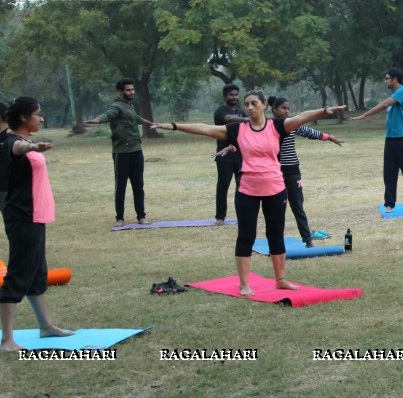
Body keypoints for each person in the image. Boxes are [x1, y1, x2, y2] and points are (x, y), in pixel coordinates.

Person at [152, 92, 347, 295]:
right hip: (247, 190)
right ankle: (244, 284)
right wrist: (174, 126)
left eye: (254, 103)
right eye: (247, 104)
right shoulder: (237, 129)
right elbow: (205, 129)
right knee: (246, 236)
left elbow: (301, 118)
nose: (250, 107)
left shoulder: (277, 126)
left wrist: (324, 111)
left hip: (275, 189)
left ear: (264, 105)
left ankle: (280, 280)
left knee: (276, 235)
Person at [1, 97, 73, 352]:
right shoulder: (12, 142)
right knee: (19, 273)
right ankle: (7, 339)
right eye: (37, 114)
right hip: (23, 215)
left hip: (36, 215)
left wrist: (32, 146)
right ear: (23, 117)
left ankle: (46, 326)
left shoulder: (21, 141)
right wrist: (32, 148)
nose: (41, 118)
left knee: (37, 271)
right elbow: (17, 149)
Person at [266, 96, 343, 247]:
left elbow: (309, 132)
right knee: (276, 208)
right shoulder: (268, 125)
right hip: (275, 172)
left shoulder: (291, 124)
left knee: (297, 206)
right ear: (274, 109)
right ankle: (276, 241)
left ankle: (308, 239)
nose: (286, 111)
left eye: (288, 108)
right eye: (283, 108)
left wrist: (329, 137)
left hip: (293, 171)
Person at [352, 68, 403, 213]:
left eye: (387, 78)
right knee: (389, 173)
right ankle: (389, 204)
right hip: (391, 140)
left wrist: (365, 115)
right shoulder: (395, 95)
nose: (385, 81)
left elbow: (384, 105)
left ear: (395, 79)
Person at [84, 79, 153, 228]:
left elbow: (137, 119)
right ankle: (119, 218)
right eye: (128, 90)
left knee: (138, 186)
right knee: (120, 186)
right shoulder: (116, 107)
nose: (132, 92)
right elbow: (107, 115)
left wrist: (151, 123)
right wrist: (97, 120)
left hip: (136, 151)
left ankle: (141, 216)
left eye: (133, 89)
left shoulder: (129, 106)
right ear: (121, 92)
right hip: (122, 153)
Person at [213, 84, 246, 225]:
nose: (234, 97)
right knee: (223, 186)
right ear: (225, 96)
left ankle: (243, 216)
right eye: (231, 95)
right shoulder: (220, 110)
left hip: (240, 155)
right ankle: (220, 217)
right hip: (224, 155)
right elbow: (228, 119)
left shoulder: (241, 111)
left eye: (236, 95)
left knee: (242, 187)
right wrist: (245, 120)